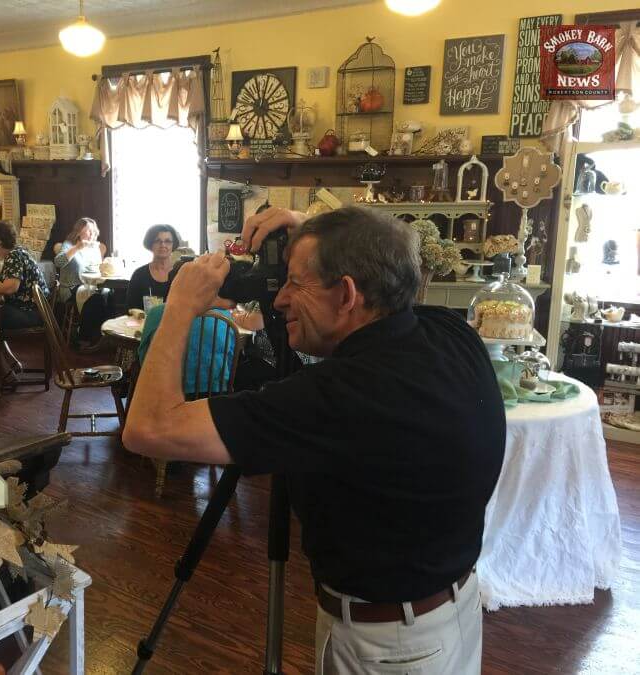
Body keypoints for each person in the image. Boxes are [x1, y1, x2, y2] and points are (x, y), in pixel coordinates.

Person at [123, 206, 506, 674]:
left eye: (295, 283)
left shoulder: (337, 398)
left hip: (386, 650)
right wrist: (304, 226)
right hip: (455, 612)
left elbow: (147, 428)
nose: (280, 299)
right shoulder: (450, 333)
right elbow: (384, 267)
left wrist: (179, 305)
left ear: (346, 293)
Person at [0, 220, 48, 380]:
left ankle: (3, 371)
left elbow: (11, 287)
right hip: (34, 309)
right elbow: (15, 279)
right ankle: (8, 363)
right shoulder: (17, 252)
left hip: (30, 313)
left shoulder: (14, 256)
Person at [54, 217, 111, 350]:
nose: (92, 234)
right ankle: (83, 339)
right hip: (70, 287)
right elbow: (58, 262)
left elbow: (98, 269)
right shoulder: (69, 245)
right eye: (89, 230)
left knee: (108, 293)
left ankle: (106, 336)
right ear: (79, 231)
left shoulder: (94, 248)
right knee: (96, 298)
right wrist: (77, 248)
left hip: (91, 285)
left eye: (94, 231)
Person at [126, 224, 181, 311]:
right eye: (157, 241)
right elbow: (131, 309)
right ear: (150, 244)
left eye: (167, 241)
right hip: (144, 320)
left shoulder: (181, 274)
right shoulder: (139, 275)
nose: (163, 245)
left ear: (173, 245)